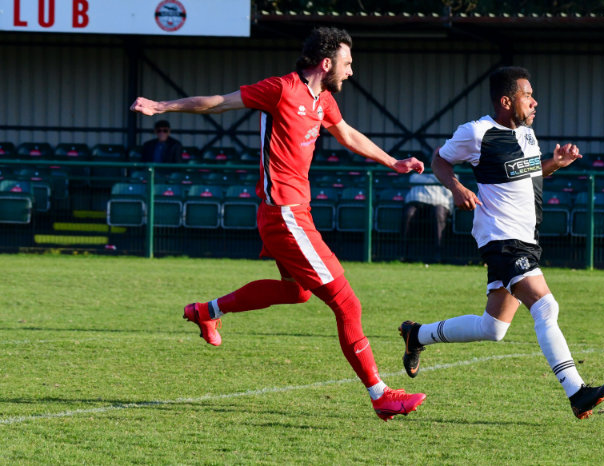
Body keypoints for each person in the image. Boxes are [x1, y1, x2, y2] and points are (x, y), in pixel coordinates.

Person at [130, 27, 426, 421]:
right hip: (285, 215)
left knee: (297, 292)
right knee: (347, 303)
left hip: (294, 214)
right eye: (347, 63)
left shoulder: (323, 100)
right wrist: (162, 106)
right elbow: (218, 103)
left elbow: (347, 134)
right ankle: (380, 394)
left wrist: (393, 162)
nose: (351, 71)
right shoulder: (280, 89)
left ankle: (207, 310)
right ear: (326, 63)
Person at [398, 66, 604, 420]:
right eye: (527, 95)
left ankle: (417, 335)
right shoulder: (477, 132)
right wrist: (456, 188)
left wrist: (555, 164)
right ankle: (577, 392)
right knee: (545, 307)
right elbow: (440, 160)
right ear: (506, 101)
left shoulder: (528, 135)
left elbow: (525, 174)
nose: (535, 102)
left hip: (526, 238)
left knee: (494, 328)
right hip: (501, 238)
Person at [401, 171, 454, 263]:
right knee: (408, 213)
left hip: (440, 202)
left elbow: (452, 182)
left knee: (438, 213)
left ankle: (439, 254)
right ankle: (403, 253)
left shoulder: (450, 169)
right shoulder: (417, 172)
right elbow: (413, 178)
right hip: (416, 201)